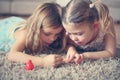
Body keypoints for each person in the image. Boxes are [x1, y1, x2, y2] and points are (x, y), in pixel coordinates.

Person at [4, 3, 67, 67]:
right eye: (47, 34)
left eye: (57, 34)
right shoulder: (24, 34)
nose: (53, 39)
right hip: (5, 27)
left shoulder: (53, 32)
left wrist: (71, 49)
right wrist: (43, 62)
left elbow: (66, 41)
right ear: (36, 29)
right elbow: (12, 55)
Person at [62, 0, 116, 64]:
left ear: (95, 26)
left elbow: (110, 53)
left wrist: (85, 56)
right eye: (69, 33)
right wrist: (71, 49)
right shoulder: (70, 29)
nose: (73, 38)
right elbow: (67, 44)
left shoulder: (106, 25)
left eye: (79, 34)